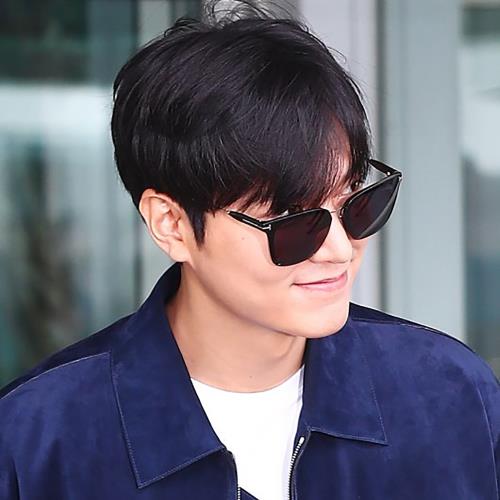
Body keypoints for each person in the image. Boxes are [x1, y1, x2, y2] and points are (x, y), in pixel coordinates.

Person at [0, 2, 498, 499]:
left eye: (355, 203)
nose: (339, 250)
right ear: (171, 224)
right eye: (292, 220)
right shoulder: (38, 441)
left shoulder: (451, 395)